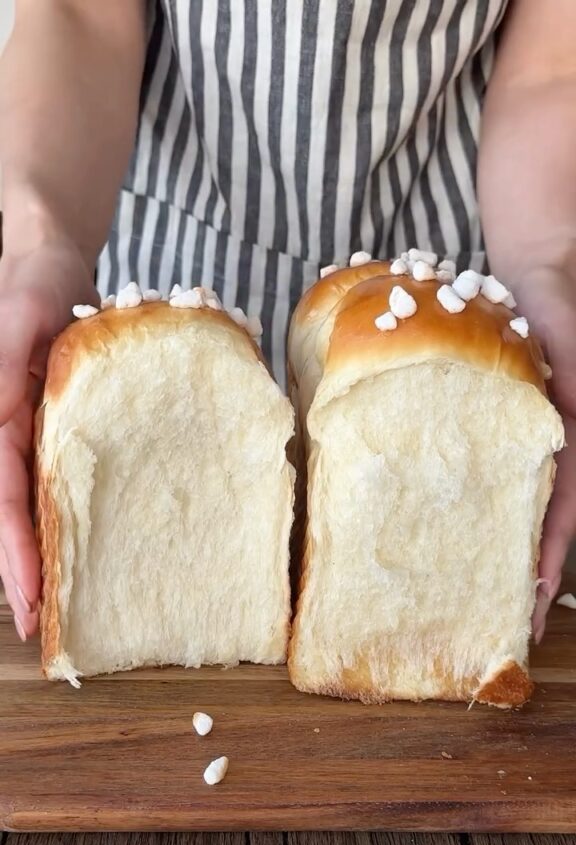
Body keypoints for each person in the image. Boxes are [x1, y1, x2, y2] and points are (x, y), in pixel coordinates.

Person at [0, 0, 574, 645]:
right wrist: (39, 246)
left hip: (449, 307)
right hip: (157, 280)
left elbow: (552, 69)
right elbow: (78, 16)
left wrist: (550, 269)